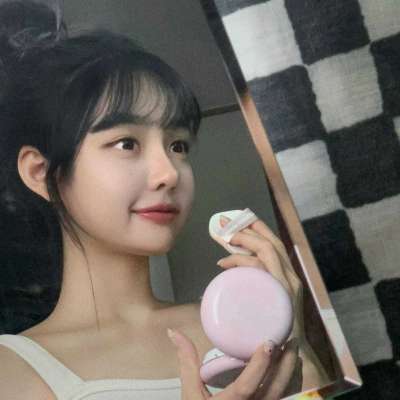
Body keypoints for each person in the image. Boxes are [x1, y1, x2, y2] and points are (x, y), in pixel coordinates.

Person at [0, 1, 327, 399]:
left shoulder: (240, 333)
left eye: (178, 145)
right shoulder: (10, 371)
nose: (169, 173)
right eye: (127, 143)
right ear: (41, 172)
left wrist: (297, 348)